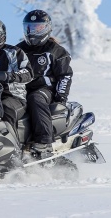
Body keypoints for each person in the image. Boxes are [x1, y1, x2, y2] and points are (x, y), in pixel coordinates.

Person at [16, 9, 73, 154]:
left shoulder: (55, 50)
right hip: (21, 89)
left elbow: (65, 75)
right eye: (29, 27)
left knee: (35, 98)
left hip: (46, 89)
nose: (33, 31)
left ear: (47, 28)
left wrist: (61, 98)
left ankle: (44, 141)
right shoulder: (19, 49)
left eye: (38, 27)